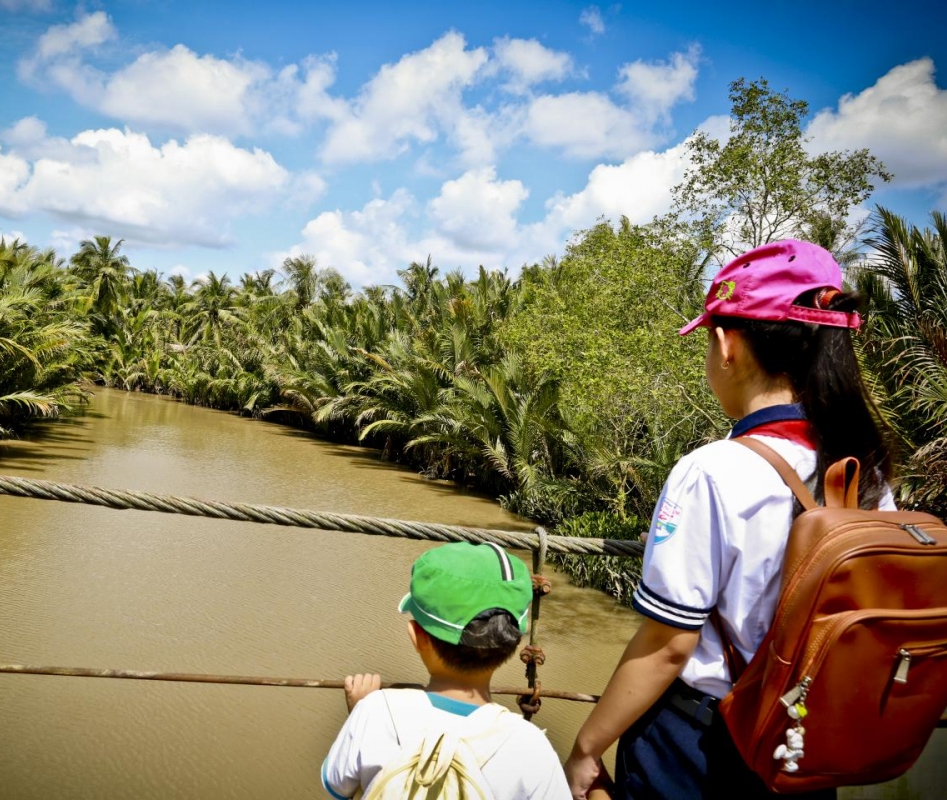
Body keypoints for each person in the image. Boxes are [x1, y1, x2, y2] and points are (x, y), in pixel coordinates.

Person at [563, 239, 895, 800]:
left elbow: (668, 646)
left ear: (726, 343)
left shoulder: (711, 471)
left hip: (704, 743)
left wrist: (586, 748)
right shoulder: (869, 465)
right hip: (802, 739)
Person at [321, 541, 575, 799]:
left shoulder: (375, 711)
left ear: (417, 637)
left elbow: (339, 786)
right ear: (514, 641)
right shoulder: (531, 747)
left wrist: (358, 709)